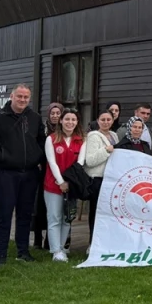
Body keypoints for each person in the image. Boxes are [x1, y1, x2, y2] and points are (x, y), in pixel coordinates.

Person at [0, 84, 46, 266]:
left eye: (26, 97)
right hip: (5, 174)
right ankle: (0, 254)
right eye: (19, 96)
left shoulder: (34, 118)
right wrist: (2, 157)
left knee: (25, 214)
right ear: (12, 96)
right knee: (4, 214)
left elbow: (41, 141)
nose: (23, 100)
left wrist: (36, 157)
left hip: (30, 173)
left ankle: (23, 251)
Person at [44, 109, 85, 263]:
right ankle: (56, 251)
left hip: (71, 186)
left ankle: (62, 247)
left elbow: (79, 163)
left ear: (77, 122)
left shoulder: (81, 140)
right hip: (53, 185)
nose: (70, 122)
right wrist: (60, 181)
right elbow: (52, 162)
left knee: (67, 218)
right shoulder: (52, 139)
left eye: (73, 120)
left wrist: (69, 182)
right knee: (54, 217)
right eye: (67, 119)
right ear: (61, 121)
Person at [84, 110, 119, 247]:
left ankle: (106, 242)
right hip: (97, 179)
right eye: (103, 119)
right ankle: (92, 243)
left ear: (112, 121)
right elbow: (90, 160)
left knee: (108, 213)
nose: (106, 122)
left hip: (110, 179)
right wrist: (106, 150)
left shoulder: (114, 136)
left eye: (108, 119)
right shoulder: (93, 136)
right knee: (96, 213)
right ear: (98, 121)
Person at [33, 102, 64, 249]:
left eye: (58, 113)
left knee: (54, 208)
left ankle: (49, 242)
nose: (55, 116)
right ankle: (38, 238)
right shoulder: (42, 128)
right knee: (39, 205)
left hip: (58, 170)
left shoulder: (65, 130)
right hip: (42, 168)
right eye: (53, 113)